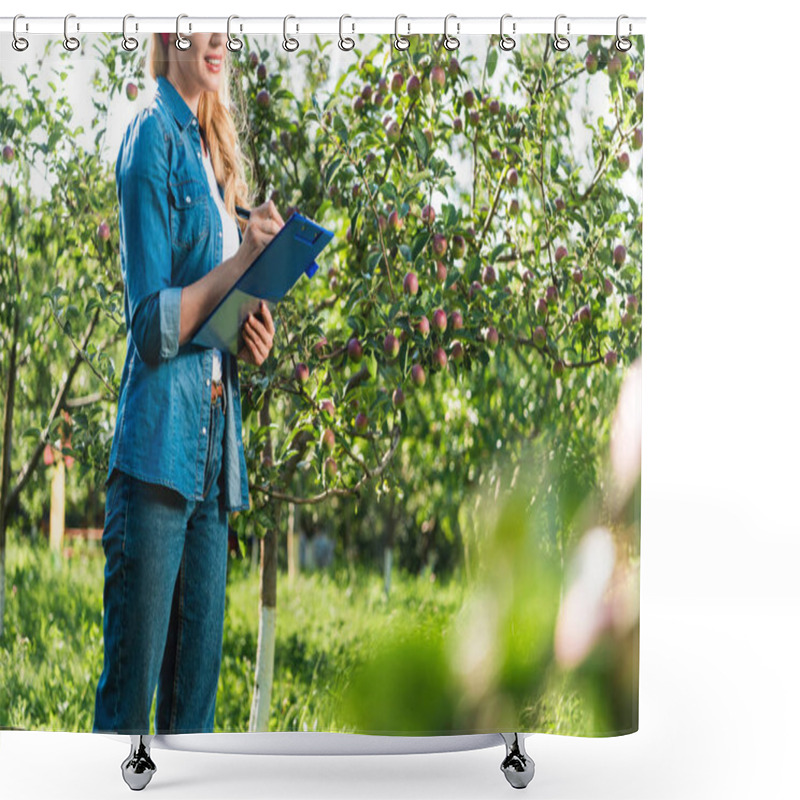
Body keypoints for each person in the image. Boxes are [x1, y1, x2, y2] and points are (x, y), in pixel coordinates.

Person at [93, 31, 283, 735]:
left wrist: (250, 333)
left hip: (213, 457)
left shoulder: (211, 155)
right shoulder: (152, 138)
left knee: (193, 722)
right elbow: (151, 325)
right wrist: (239, 267)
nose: (217, 38)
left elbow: (211, 316)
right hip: (156, 453)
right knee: (127, 718)